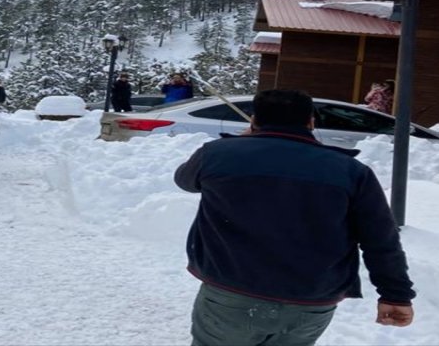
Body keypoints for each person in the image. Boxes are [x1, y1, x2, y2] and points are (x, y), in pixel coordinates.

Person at [174, 89, 415, 346]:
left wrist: (241, 141)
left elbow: (185, 181)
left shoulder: (216, 155)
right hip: (311, 301)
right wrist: (395, 295)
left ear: (253, 121)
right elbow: (380, 239)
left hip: (231, 293)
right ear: (311, 122)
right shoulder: (350, 171)